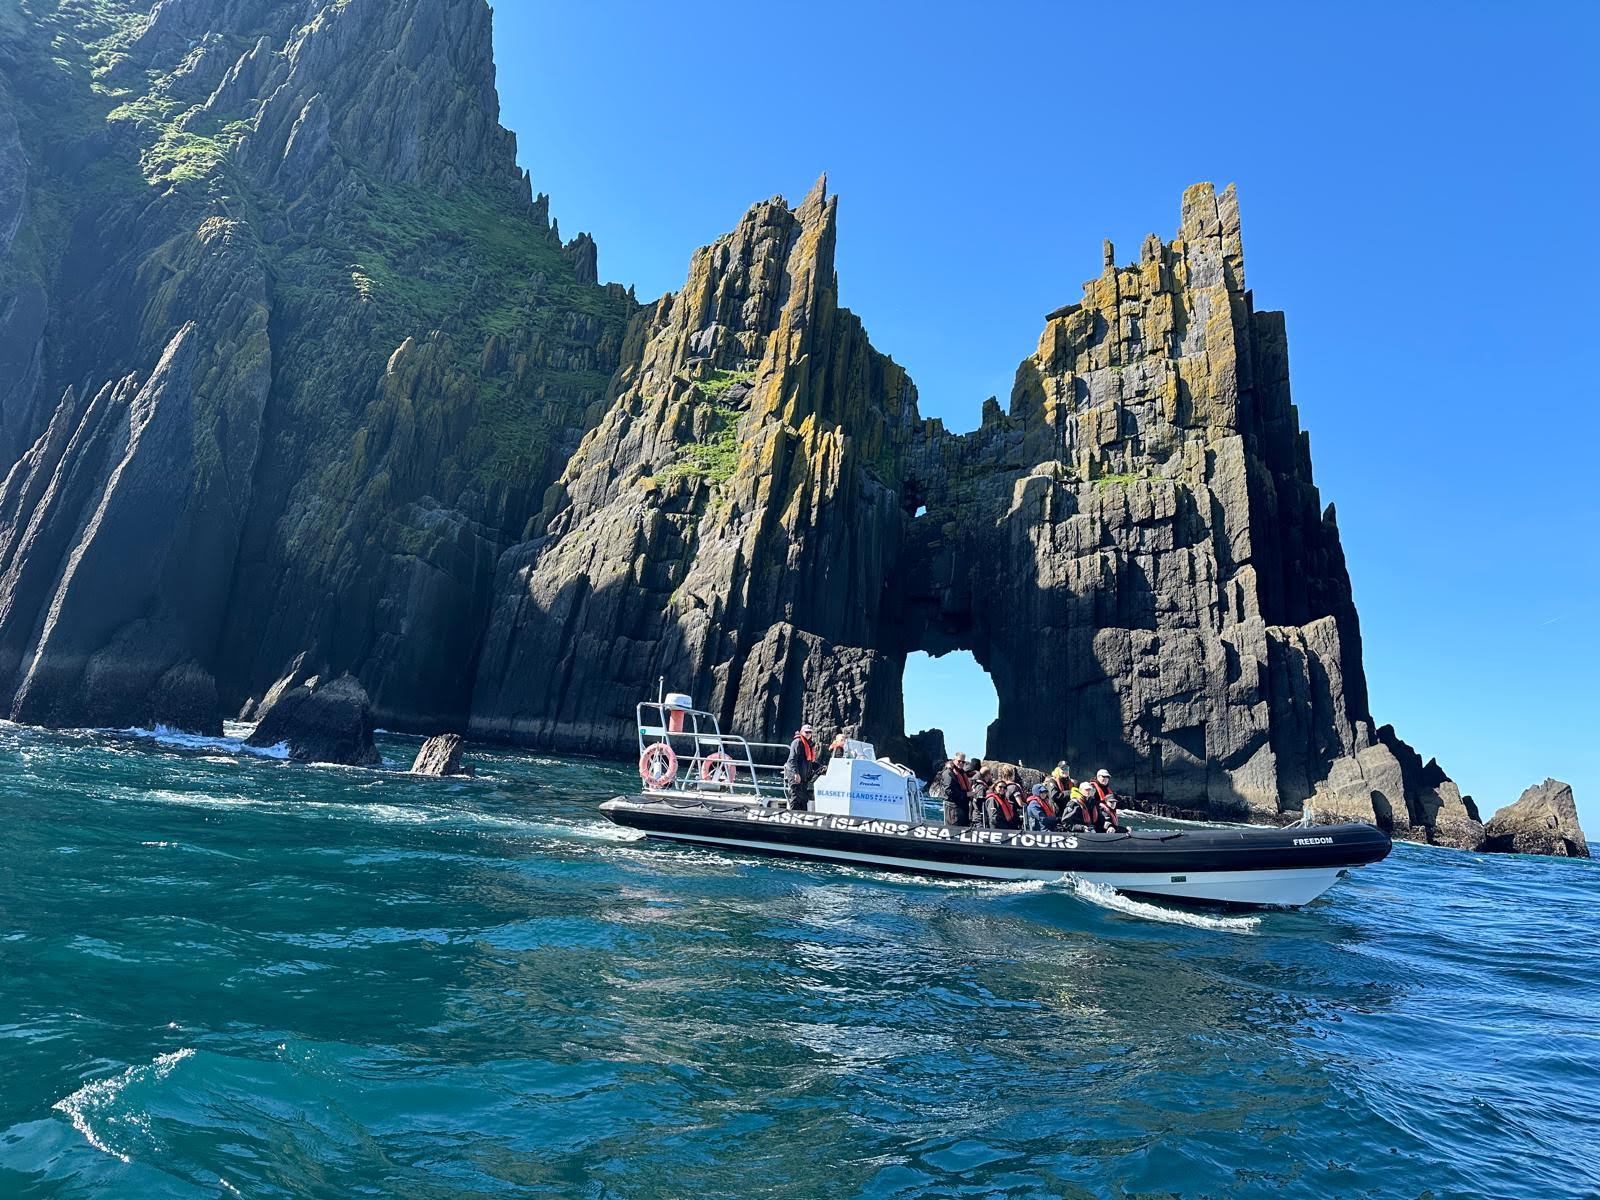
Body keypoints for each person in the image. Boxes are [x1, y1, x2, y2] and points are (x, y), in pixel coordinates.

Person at [784, 723, 820, 810]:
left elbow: (809, 762)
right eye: (806, 732)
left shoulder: (808, 744)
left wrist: (820, 767)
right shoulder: (797, 742)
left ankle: (803, 817)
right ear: (802, 732)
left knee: (804, 799)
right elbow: (792, 760)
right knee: (796, 797)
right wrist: (796, 773)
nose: (808, 734)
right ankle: (793, 817)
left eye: (810, 732)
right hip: (796, 776)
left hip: (804, 778)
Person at [985, 766, 1025, 831]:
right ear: (995, 787)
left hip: (1008, 826)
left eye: (1004, 788)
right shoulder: (992, 799)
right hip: (999, 830)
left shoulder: (1003, 799)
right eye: (1000, 787)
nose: (1002, 789)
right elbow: (993, 818)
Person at [939, 752, 973, 827]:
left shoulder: (962, 773)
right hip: (953, 809)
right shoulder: (949, 773)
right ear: (954, 760)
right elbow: (949, 792)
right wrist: (966, 794)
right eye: (959, 761)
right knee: (954, 831)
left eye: (963, 762)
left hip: (963, 808)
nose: (961, 763)